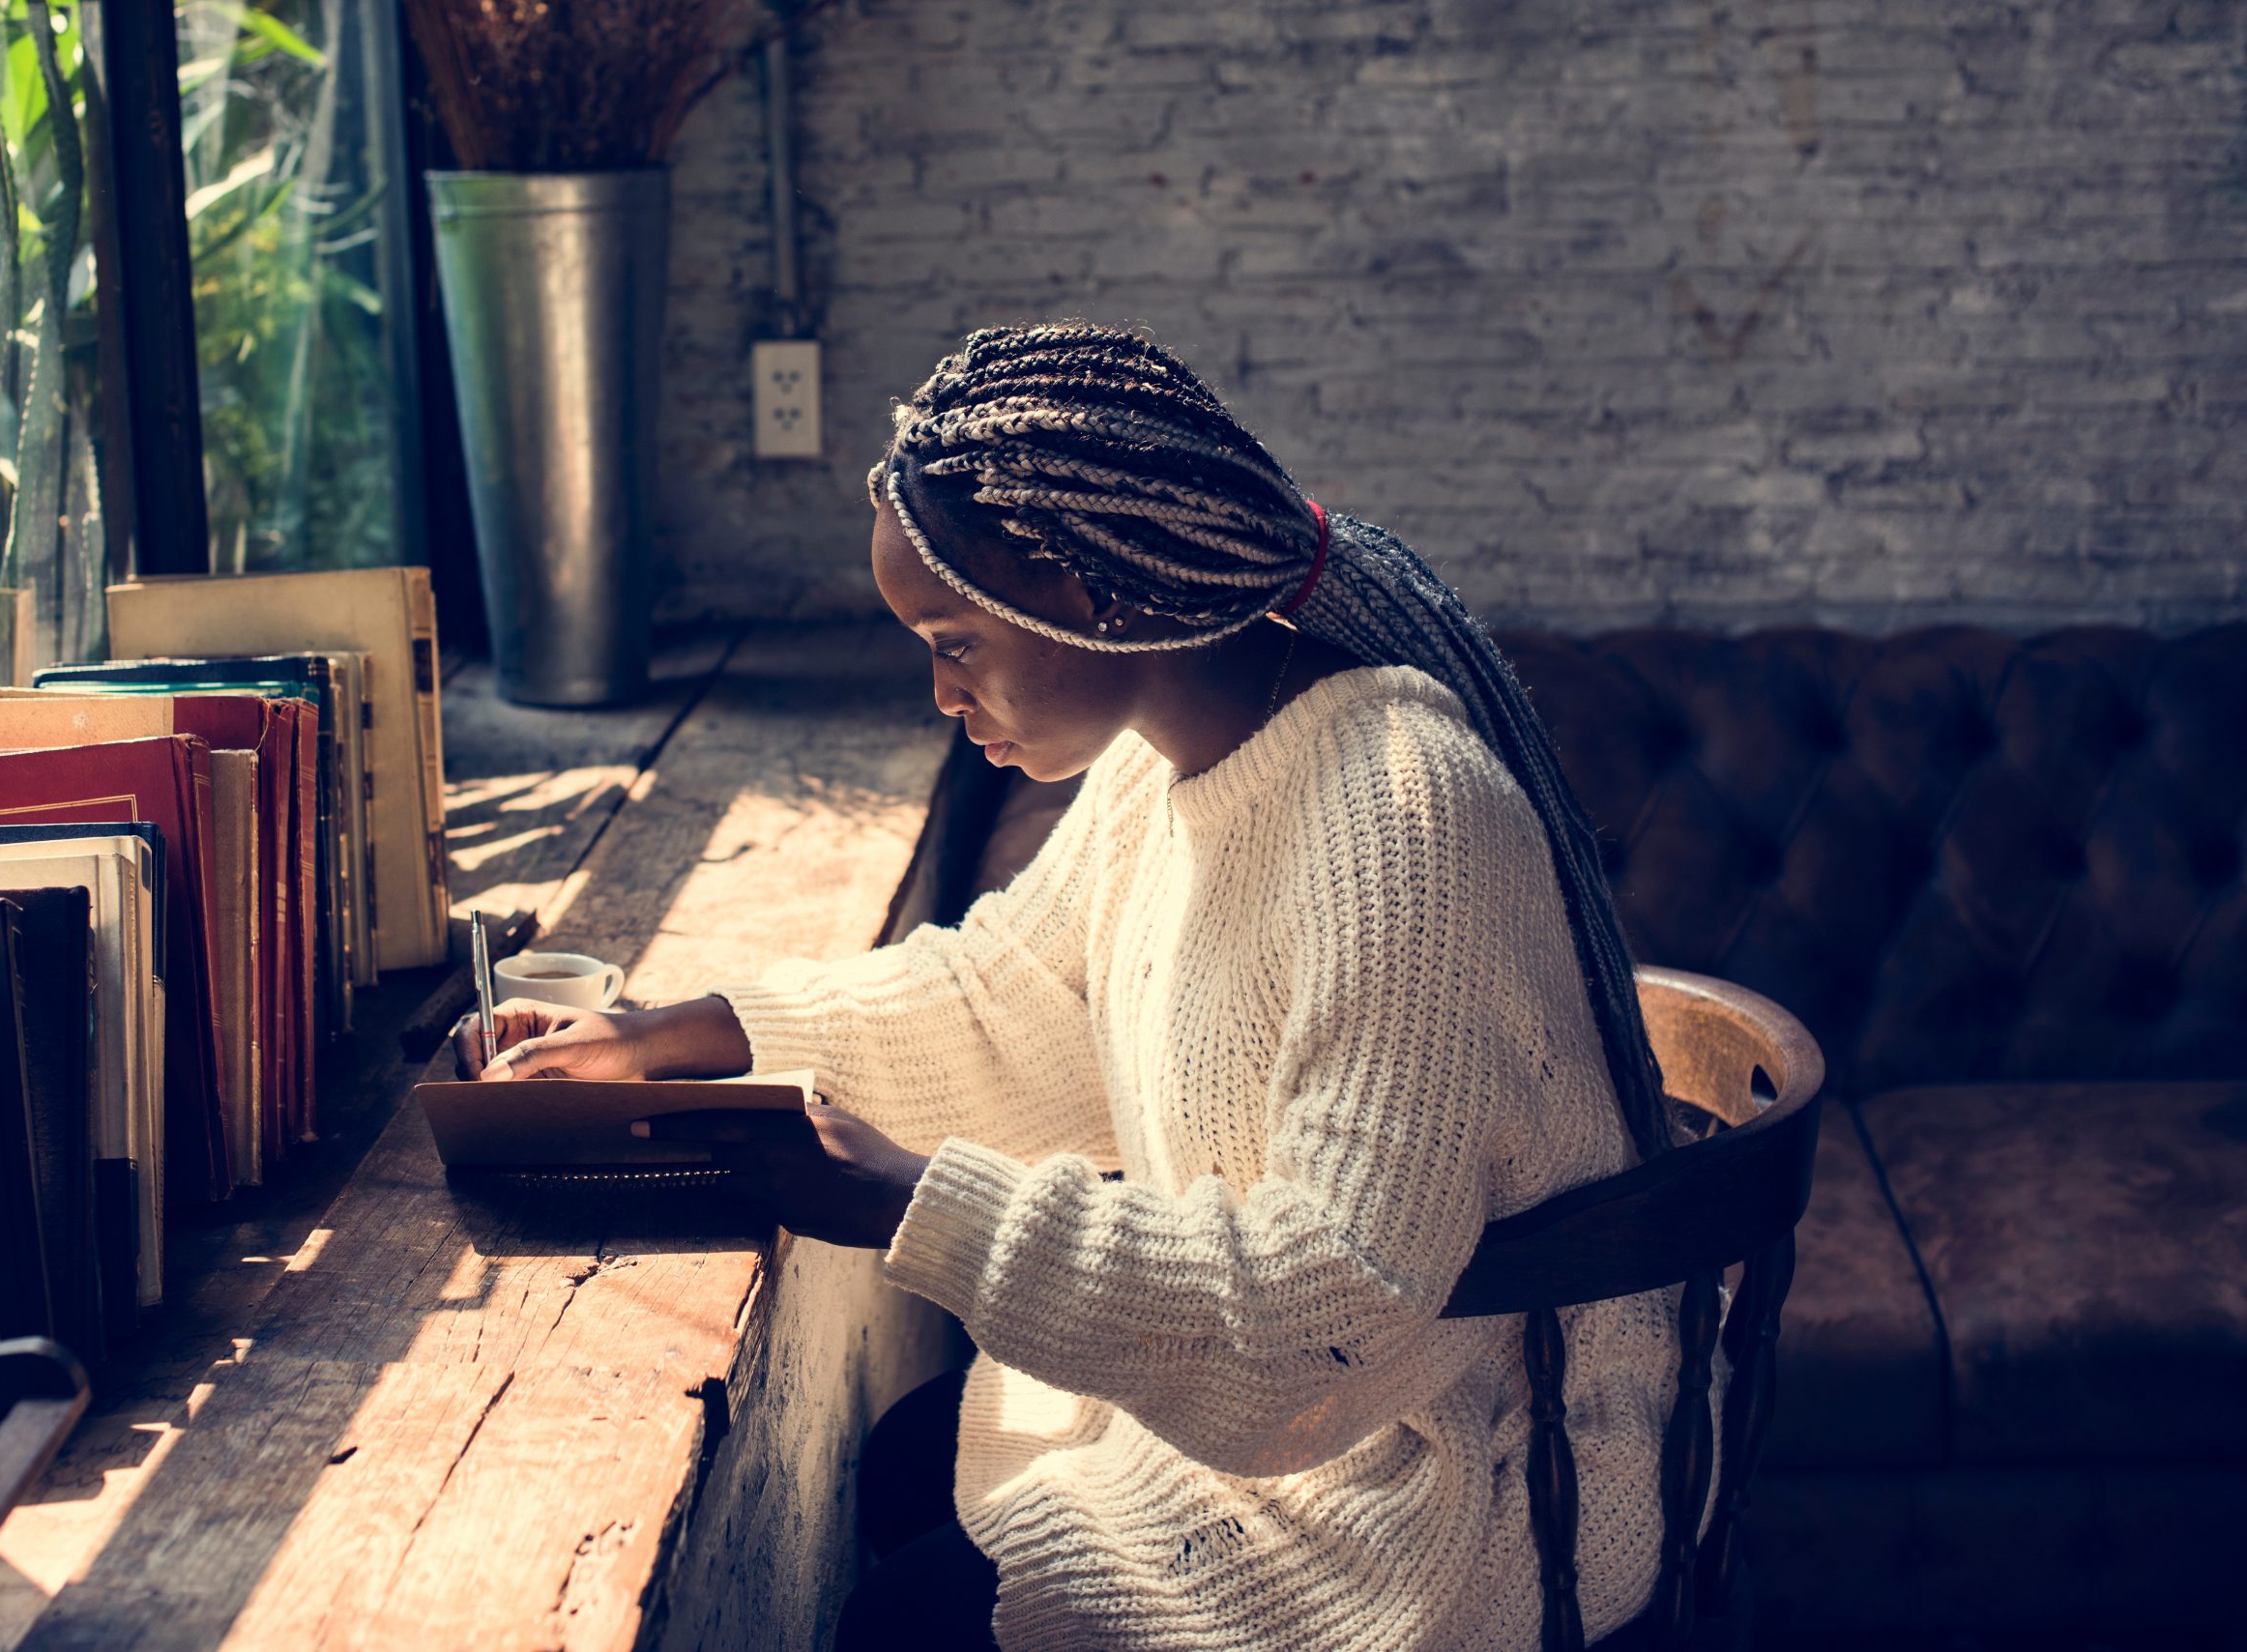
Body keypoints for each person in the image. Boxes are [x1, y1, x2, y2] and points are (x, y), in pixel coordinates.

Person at [457, 321, 1690, 1650]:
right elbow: (1011, 1004)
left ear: (1085, 593)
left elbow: (1338, 1308)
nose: (939, 688)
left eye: (953, 638)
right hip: (1317, 1426)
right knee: (907, 1466)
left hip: (1465, 1486)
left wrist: (907, 1197)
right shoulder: (1163, 764)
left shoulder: (1398, 810)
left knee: (896, 1625)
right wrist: (682, 1034)